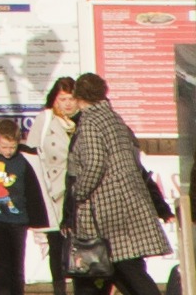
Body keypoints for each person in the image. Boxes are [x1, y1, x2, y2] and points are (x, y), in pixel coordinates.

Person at [55, 72, 172, 295]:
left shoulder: (89, 122)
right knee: (124, 270)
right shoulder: (114, 118)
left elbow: (95, 164)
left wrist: (78, 193)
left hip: (105, 212)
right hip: (128, 205)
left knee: (107, 269)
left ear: (79, 96)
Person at [0, 119, 60, 295]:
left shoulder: (27, 158)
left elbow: (42, 183)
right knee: (2, 261)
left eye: (12, 147)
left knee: (17, 262)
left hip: (19, 218)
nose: (8, 151)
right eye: (4, 147)